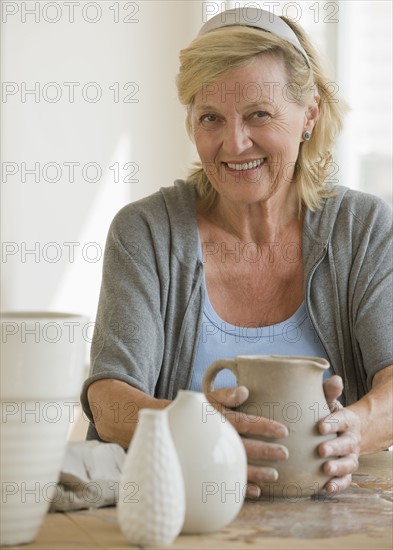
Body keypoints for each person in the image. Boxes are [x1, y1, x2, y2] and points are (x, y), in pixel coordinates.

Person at [81, 8, 393, 499]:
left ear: (308, 114)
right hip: (185, 520)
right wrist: (197, 432)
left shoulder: (362, 228)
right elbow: (108, 401)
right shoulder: (145, 232)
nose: (234, 143)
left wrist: (355, 428)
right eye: (211, 118)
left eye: (259, 115)